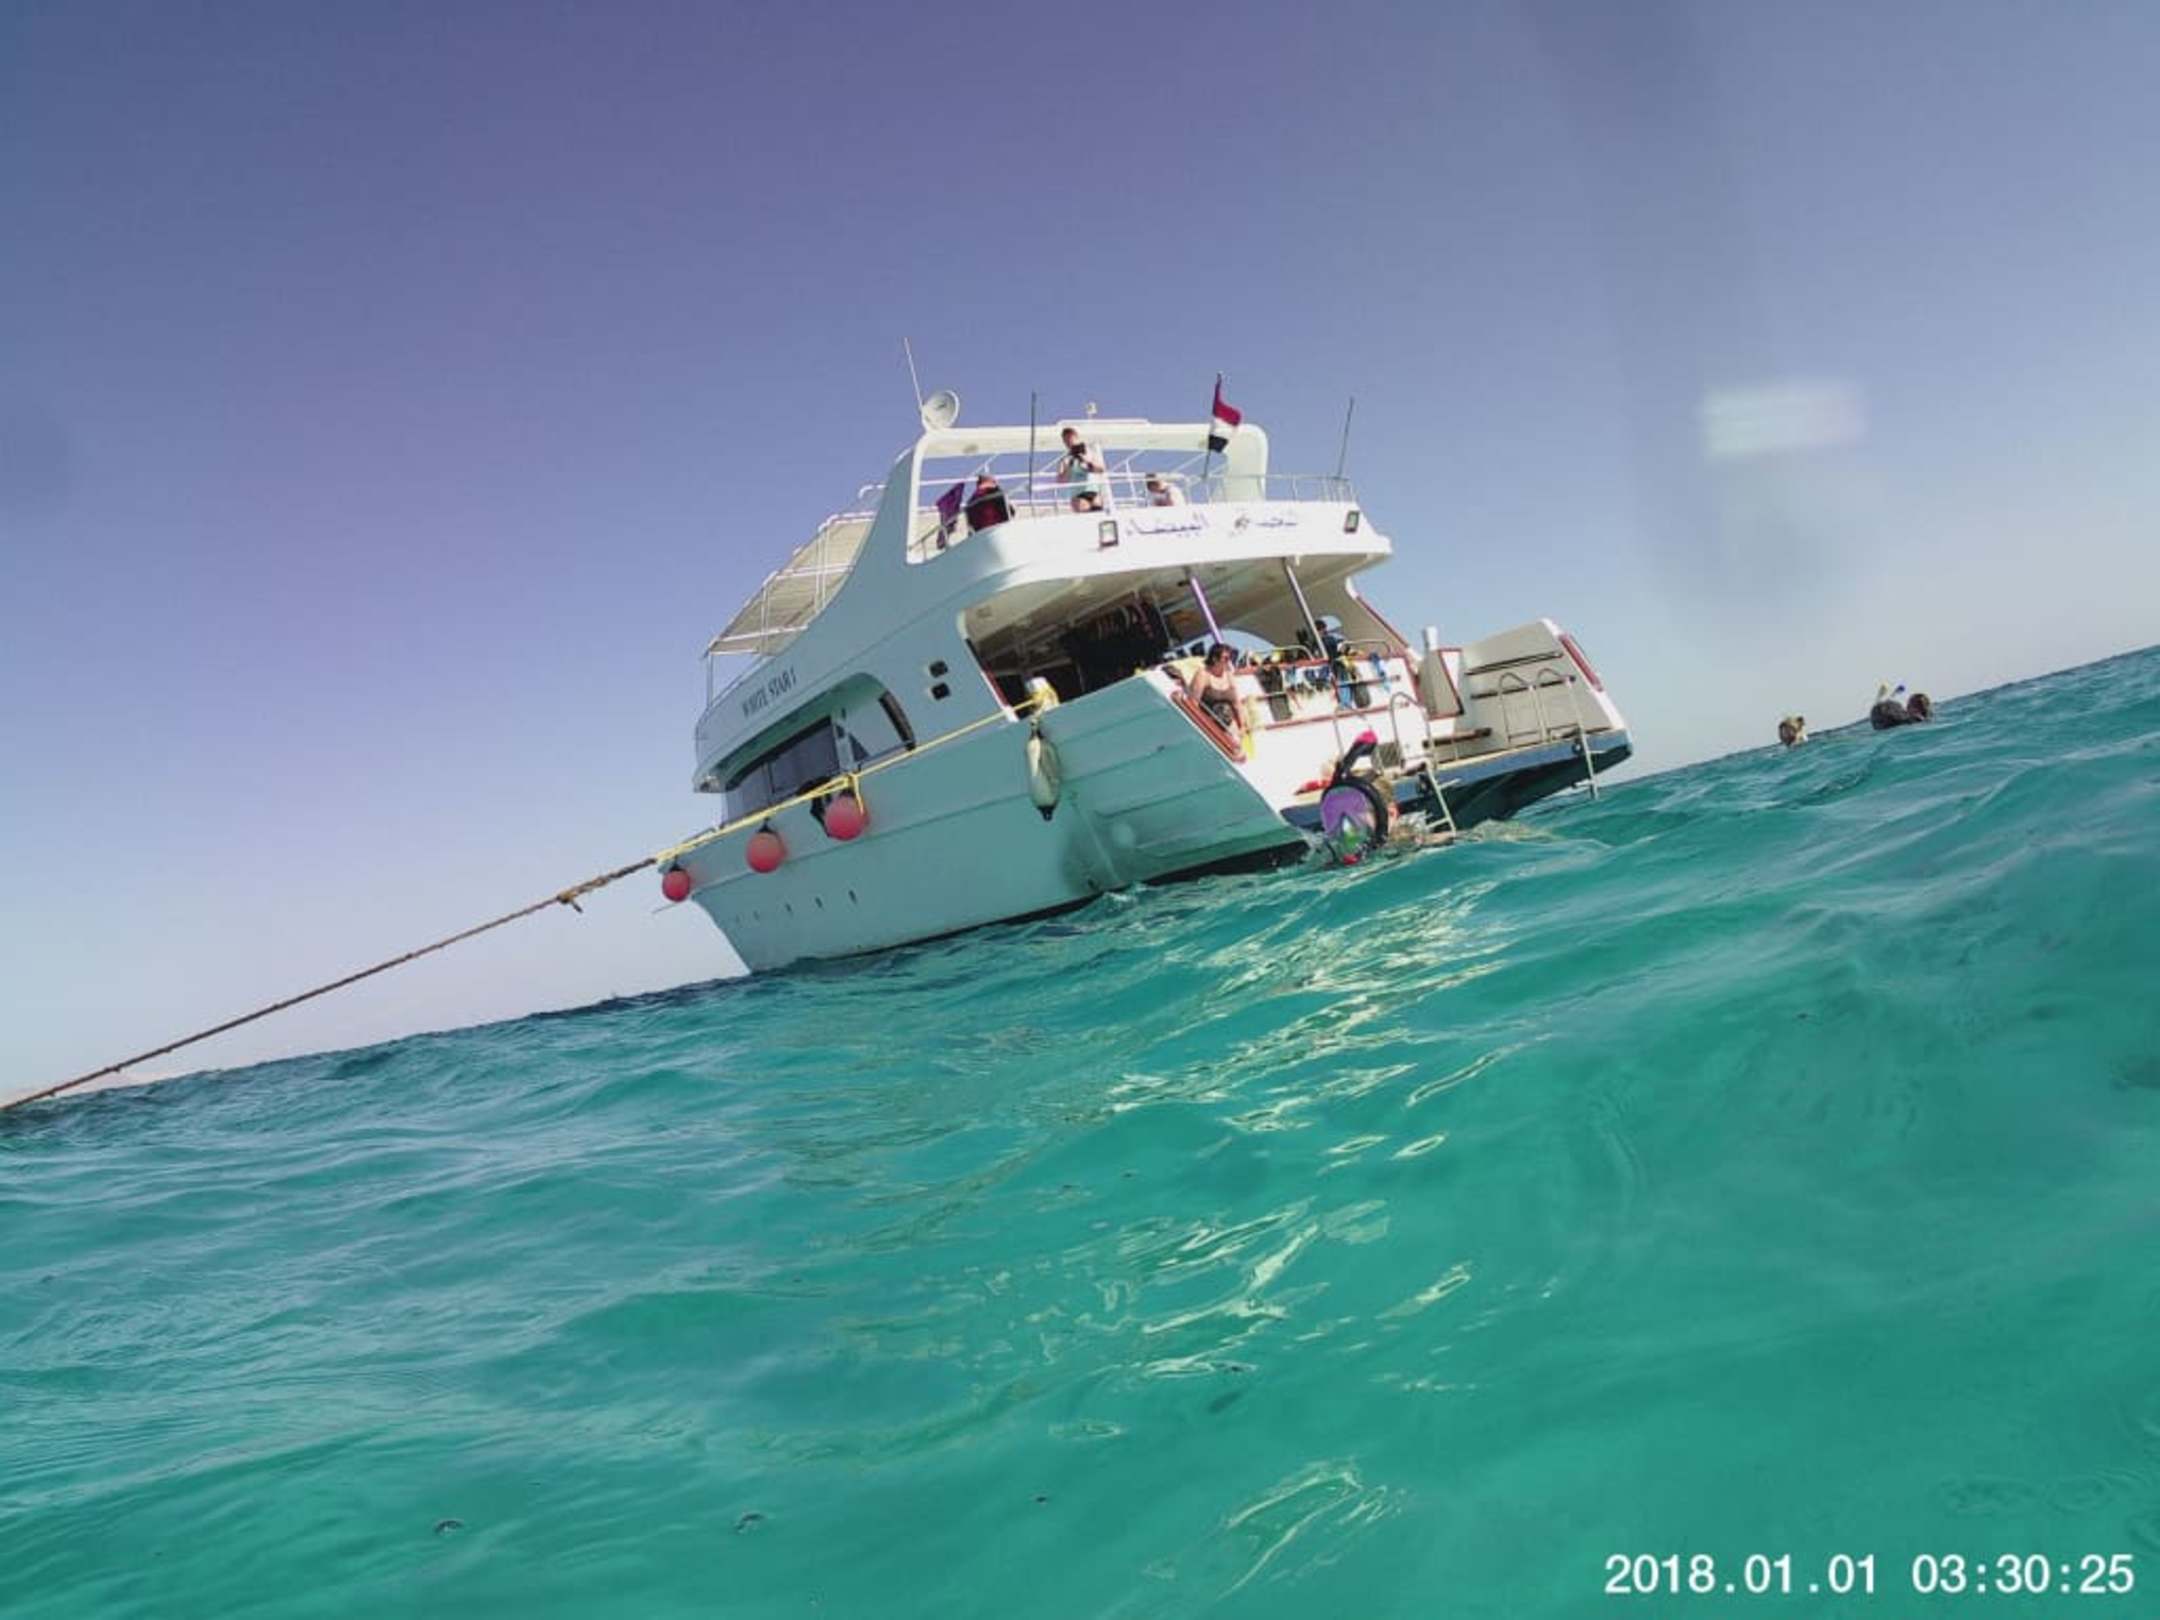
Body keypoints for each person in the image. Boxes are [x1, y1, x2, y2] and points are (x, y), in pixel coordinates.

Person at [1185, 642, 1245, 738]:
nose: (1228, 661)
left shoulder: (1229, 675)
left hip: (1228, 724)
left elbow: (1236, 703)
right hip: (1208, 724)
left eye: (1230, 658)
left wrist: (1242, 726)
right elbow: (1193, 703)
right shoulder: (1203, 674)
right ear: (1214, 659)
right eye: (1226, 658)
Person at [1057, 427, 1106, 512]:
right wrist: (1069, 466)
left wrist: (1088, 461)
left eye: (1070, 439)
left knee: (1098, 513)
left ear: (1077, 438)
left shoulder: (1090, 453)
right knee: (1085, 514)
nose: (1069, 442)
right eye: (1066, 441)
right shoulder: (1064, 460)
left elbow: (1101, 469)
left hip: (1094, 491)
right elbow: (1060, 481)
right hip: (1078, 495)